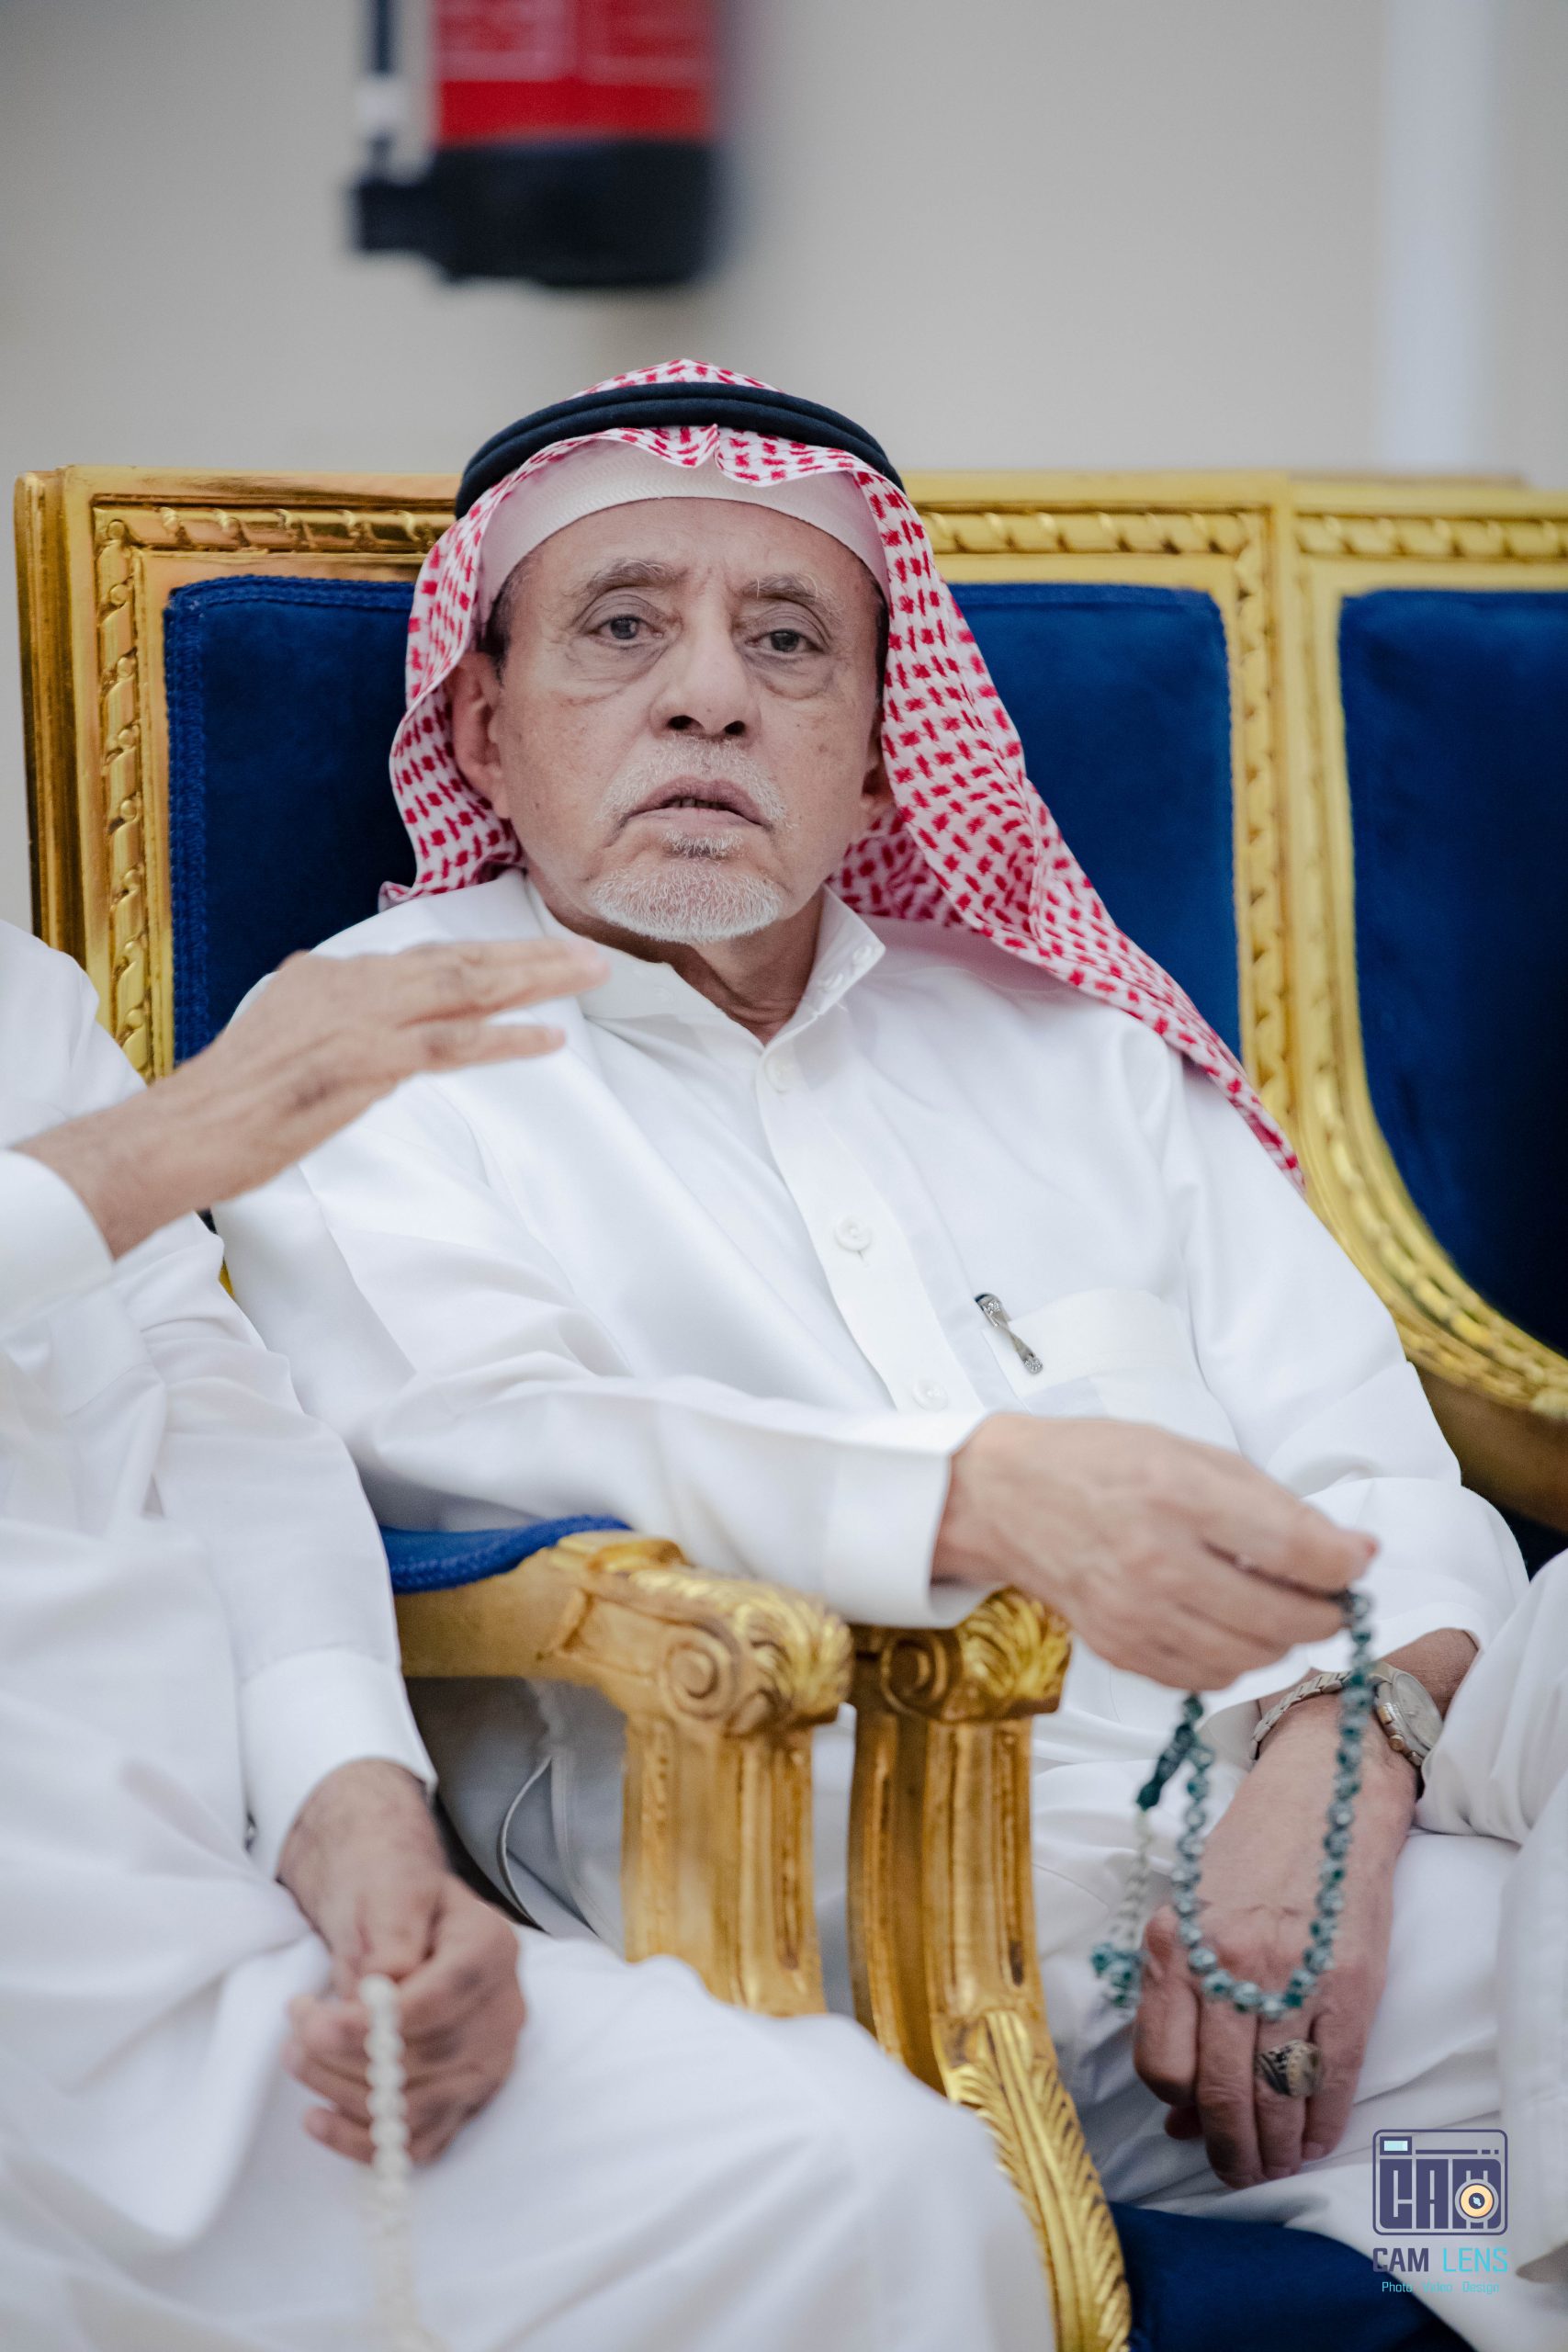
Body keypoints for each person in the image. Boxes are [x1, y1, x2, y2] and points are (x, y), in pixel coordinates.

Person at [215, 360, 1565, 2348]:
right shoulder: (373, 1037)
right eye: (622, 629)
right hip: (835, 1952)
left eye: (787, 642)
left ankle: (1442, 2228)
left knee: (1499, 2136)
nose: (708, 694)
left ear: (876, 757)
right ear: (484, 726)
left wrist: (1336, 1772)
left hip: (1329, 1917)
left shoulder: (1070, 1042)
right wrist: (970, 1497)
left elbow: (1378, 1479)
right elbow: (467, 1433)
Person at [0, 916, 1052, 2352]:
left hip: (208, 1965)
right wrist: (149, 1153)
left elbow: (211, 1420)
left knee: (873, 2186)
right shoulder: (392, 1038)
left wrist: (359, 1823)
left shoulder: (26, 999)